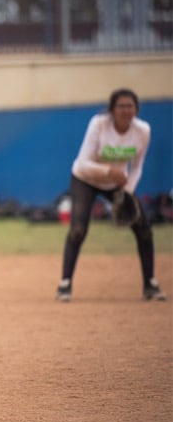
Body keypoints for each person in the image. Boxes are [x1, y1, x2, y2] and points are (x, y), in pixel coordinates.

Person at [56, 88, 165, 302]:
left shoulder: (142, 130)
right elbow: (84, 163)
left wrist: (126, 193)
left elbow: (136, 168)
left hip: (117, 183)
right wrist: (109, 172)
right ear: (112, 110)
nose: (126, 110)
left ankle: (150, 284)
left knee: (143, 228)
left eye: (130, 106)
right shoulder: (99, 124)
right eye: (121, 106)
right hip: (85, 179)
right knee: (78, 229)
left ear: (137, 109)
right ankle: (64, 284)